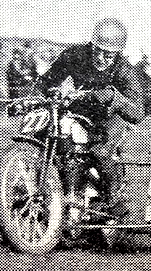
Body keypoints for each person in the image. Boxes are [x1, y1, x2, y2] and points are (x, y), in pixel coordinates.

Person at [35, 18, 145, 217]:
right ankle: (62, 190)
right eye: (97, 51)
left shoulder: (125, 70)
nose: (101, 58)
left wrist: (113, 97)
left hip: (111, 116)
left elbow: (138, 113)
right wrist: (38, 95)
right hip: (79, 110)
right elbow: (46, 81)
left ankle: (114, 199)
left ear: (118, 53)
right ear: (91, 44)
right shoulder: (74, 55)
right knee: (51, 139)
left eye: (108, 54)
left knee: (100, 152)